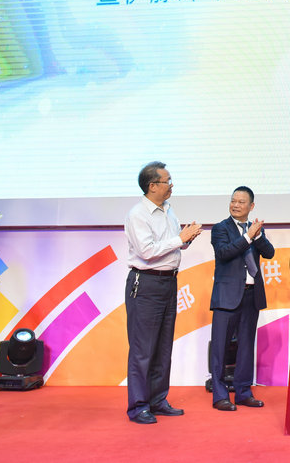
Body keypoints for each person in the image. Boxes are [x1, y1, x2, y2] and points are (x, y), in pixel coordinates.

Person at [124, 161, 202, 424]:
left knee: (163, 346)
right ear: (152, 186)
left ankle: (158, 400)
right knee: (143, 349)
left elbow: (171, 246)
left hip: (169, 282)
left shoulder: (168, 210)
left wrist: (186, 238)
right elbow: (147, 251)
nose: (171, 185)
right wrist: (180, 239)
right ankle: (138, 406)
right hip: (146, 283)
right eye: (167, 181)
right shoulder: (138, 214)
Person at [209, 186, 274, 412]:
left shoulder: (255, 230)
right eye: (233, 201)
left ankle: (244, 392)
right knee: (220, 347)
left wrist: (257, 236)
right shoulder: (220, 228)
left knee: (246, 345)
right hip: (226, 296)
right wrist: (248, 237)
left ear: (251, 206)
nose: (235, 205)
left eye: (241, 202)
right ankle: (220, 395)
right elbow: (224, 252)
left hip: (250, 295)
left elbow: (269, 253)